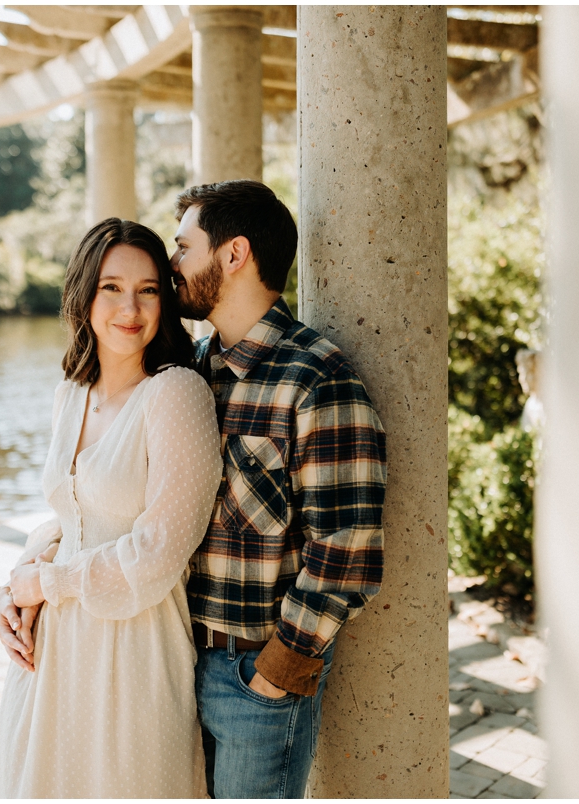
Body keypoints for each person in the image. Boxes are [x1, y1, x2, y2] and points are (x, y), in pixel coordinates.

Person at [0, 218, 222, 798]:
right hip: (54, 656)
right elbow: (70, 518)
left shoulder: (175, 393)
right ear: (84, 293)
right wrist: (15, 587)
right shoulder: (71, 392)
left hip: (133, 649)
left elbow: (159, 551)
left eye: (148, 289)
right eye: (112, 287)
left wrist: (46, 582)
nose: (131, 307)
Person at [171, 180, 389, 798]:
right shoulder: (189, 372)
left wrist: (275, 673)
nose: (173, 265)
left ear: (233, 254)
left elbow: (346, 549)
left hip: (252, 682)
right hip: (169, 662)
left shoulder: (317, 379)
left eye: (183, 247)